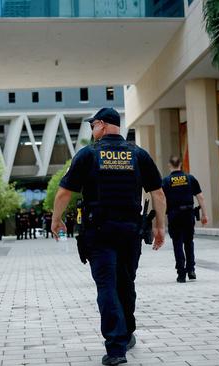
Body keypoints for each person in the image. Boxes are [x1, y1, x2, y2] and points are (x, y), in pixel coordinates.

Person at [51, 107, 166, 366]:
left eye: (93, 126)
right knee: (126, 283)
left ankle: (116, 348)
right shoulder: (138, 154)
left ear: (102, 125)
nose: (92, 131)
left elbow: (63, 194)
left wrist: (56, 220)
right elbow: (157, 193)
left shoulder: (88, 155)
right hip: (130, 232)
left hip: (99, 232)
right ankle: (126, 333)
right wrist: (160, 226)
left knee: (107, 286)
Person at [162, 156, 208, 283]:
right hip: (188, 214)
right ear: (180, 164)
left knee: (177, 243)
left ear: (169, 165)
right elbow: (201, 197)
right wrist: (204, 214)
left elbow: (161, 200)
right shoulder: (190, 178)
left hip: (174, 215)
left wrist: (160, 218)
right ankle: (191, 270)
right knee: (189, 242)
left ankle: (181, 273)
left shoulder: (166, 181)